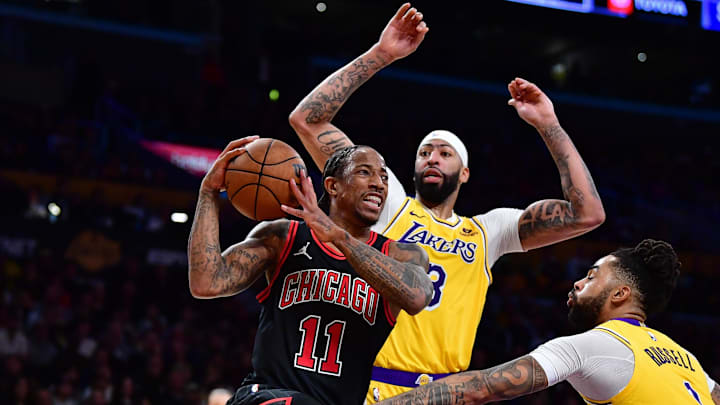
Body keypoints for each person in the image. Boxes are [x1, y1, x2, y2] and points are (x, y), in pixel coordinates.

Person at [288, 3, 605, 402]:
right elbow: (308, 120)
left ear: (465, 172)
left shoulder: (489, 231)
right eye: (424, 152)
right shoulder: (390, 202)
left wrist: (549, 125)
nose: (432, 157)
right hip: (372, 387)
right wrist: (380, 55)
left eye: (444, 152)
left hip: (447, 394)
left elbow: (587, 213)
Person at [187, 136, 433, 405]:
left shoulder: (403, 255)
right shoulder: (283, 236)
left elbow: (416, 297)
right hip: (268, 395)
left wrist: (338, 237)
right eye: (365, 172)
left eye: (384, 178)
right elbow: (206, 282)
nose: (379, 184)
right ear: (332, 185)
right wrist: (208, 194)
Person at [376, 239, 720, 404]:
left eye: (591, 275)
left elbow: (480, 387)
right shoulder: (686, 359)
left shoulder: (597, 344)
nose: (578, 282)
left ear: (620, 294)